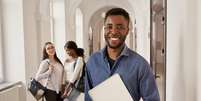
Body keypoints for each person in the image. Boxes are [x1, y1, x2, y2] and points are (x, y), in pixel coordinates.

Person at [85, 8, 160, 101]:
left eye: (120, 27)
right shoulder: (92, 62)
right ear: (104, 29)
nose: (114, 31)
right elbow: (88, 98)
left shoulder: (141, 65)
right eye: (109, 26)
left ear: (127, 31)